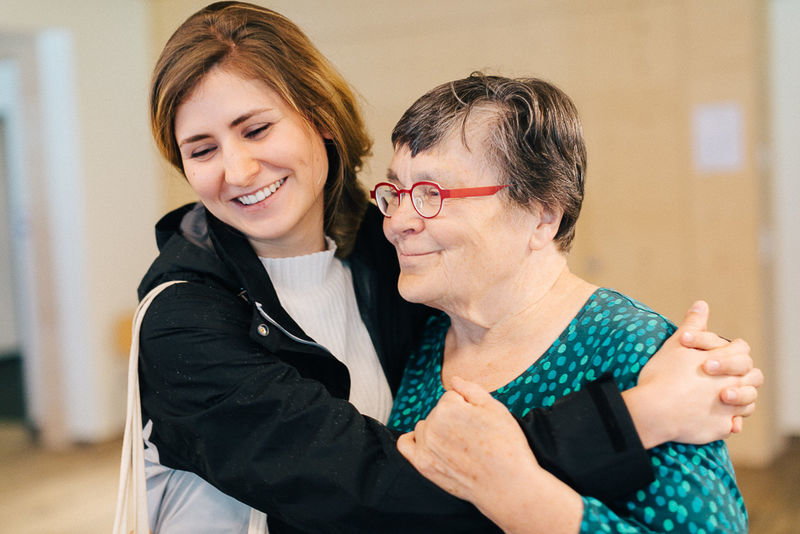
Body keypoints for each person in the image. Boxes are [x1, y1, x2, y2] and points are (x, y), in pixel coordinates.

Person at [138, 2, 761, 532]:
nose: (238, 170)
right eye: (202, 148)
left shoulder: (390, 266)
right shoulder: (184, 320)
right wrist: (636, 417)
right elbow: (375, 487)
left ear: (319, 118)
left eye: (256, 128)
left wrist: (705, 367)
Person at [382, 73, 751, 532]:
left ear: (543, 215)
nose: (397, 222)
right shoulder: (424, 333)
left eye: (431, 195)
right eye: (396, 192)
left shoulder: (635, 350)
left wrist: (522, 497)